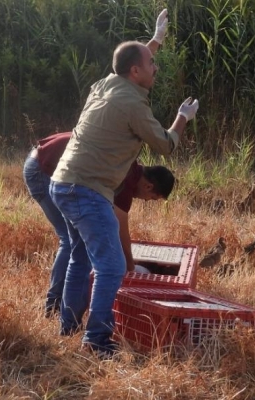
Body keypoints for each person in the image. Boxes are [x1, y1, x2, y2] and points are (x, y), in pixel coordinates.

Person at [48, 9, 200, 357]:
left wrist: (156, 40)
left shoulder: (106, 84)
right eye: (151, 63)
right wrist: (183, 117)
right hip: (87, 190)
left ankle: (68, 328)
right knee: (112, 267)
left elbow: (129, 62)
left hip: (62, 184)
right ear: (136, 72)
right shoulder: (133, 104)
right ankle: (96, 341)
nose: (155, 67)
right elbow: (165, 144)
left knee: (81, 257)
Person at [24, 132, 176, 318]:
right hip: (43, 168)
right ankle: (54, 304)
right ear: (149, 187)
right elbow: (120, 227)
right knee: (70, 241)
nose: (145, 201)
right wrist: (129, 266)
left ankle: (66, 304)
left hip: (52, 164)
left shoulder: (128, 168)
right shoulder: (127, 178)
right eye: (151, 199)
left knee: (78, 241)